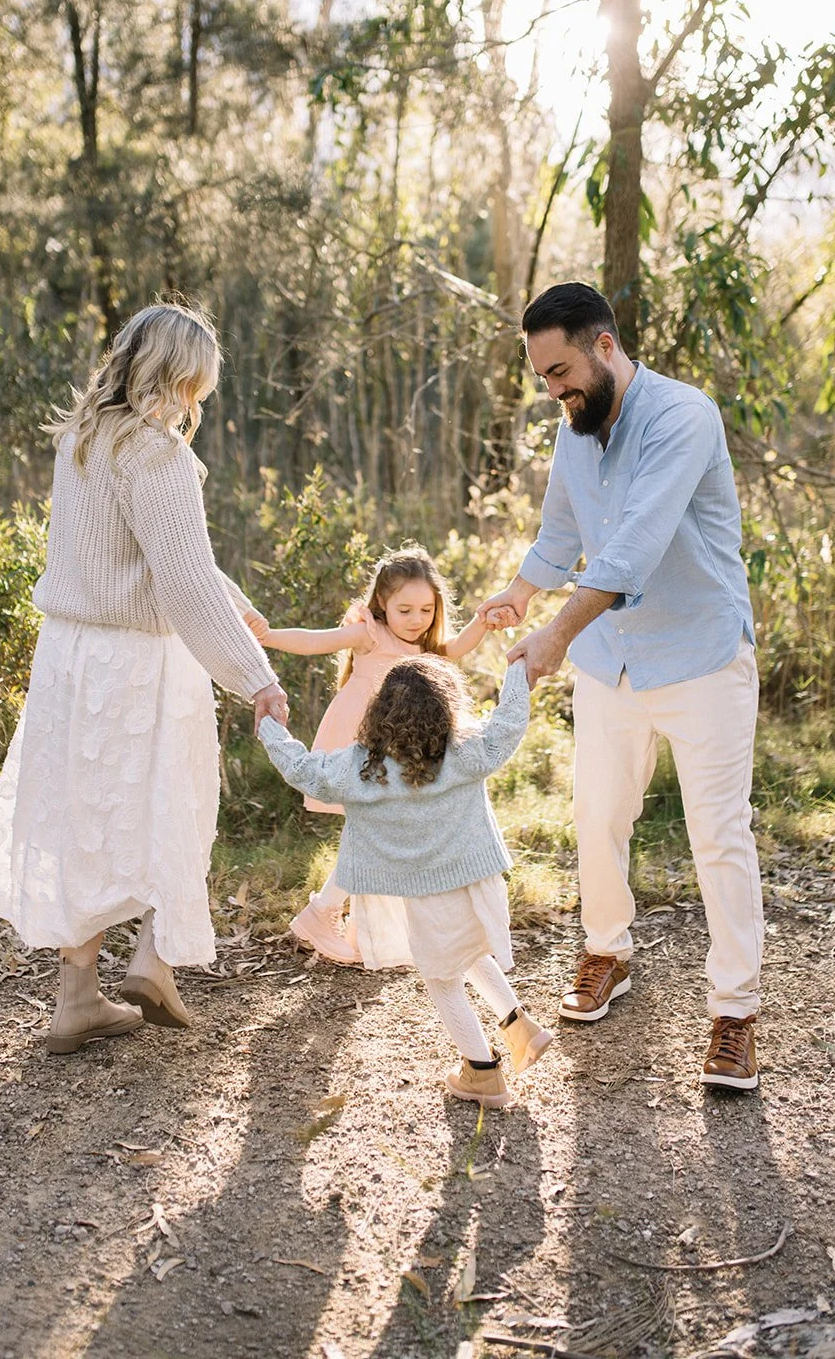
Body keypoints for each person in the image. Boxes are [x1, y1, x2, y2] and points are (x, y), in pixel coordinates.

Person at [0, 303, 287, 1054]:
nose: (194, 405)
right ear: (169, 376)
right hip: (139, 661)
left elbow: (153, 559)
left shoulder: (82, 441)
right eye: (193, 388)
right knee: (171, 799)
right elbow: (176, 579)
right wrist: (254, 676)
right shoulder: (157, 457)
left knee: (86, 819)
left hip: (70, 658)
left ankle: (76, 999)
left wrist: (234, 603)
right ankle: (152, 959)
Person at [480, 281, 763, 1091]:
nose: (555, 390)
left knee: (719, 835)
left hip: (701, 657)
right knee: (597, 816)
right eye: (542, 378)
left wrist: (555, 637)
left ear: (604, 346)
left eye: (561, 370)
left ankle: (734, 1014)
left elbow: (633, 546)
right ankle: (607, 952)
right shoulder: (572, 428)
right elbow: (561, 534)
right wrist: (517, 595)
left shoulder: (681, 417)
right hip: (612, 663)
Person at [258, 655, 552, 1108]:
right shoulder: (466, 751)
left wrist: (270, 730)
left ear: (379, 712)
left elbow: (304, 772)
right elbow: (509, 722)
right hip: (475, 879)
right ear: (447, 708)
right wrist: (517, 671)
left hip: (423, 890)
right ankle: (519, 1027)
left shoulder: (362, 768)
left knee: (442, 978)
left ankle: (482, 1073)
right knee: (469, 951)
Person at [250, 546, 494, 964]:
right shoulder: (370, 633)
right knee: (372, 831)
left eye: (426, 609)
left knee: (377, 830)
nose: (417, 620)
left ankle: (360, 929)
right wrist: (267, 636)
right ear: (381, 603)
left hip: (393, 747)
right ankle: (322, 911)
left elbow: (456, 648)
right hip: (361, 740)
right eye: (405, 610)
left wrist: (484, 620)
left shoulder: (426, 646)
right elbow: (317, 641)